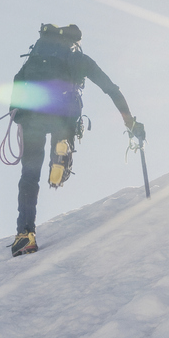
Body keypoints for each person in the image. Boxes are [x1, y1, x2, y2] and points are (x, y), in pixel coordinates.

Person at [9, 24, 143, 257]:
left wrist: (14, 108)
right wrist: (130, 122)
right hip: (64, 111)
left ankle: (25, 235)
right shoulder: (79, 58)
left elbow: (18, 79)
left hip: (32, 116)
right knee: (64, 135)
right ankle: (62, 154)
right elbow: (110, 88)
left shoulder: (36, 56)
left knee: (29, 176)